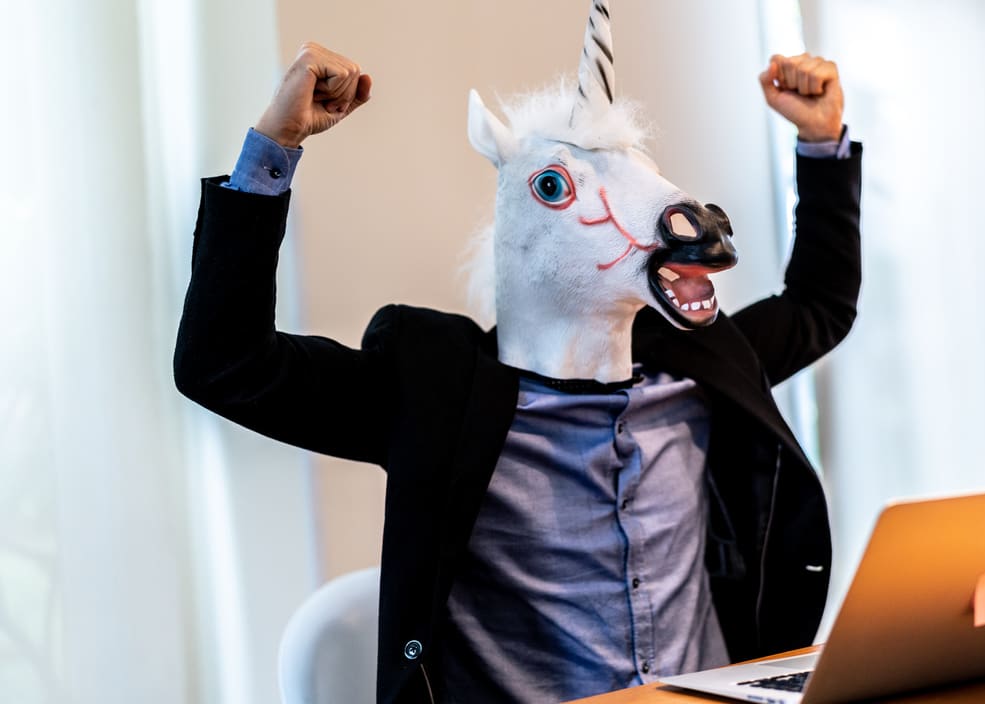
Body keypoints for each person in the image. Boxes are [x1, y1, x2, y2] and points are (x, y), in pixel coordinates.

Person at [174, 39, 861, 704]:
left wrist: (821, 143)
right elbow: (224, 364)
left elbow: (819, 303)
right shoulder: (436, 397)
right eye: (560, 184)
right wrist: (273, 147)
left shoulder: (698, 366)